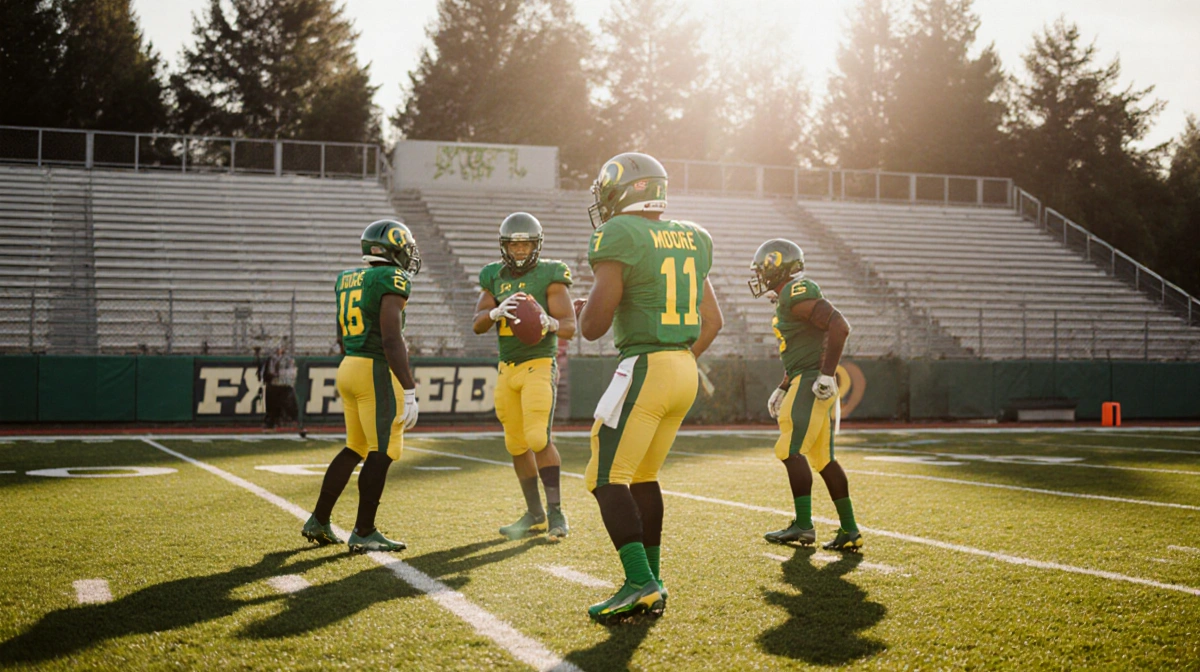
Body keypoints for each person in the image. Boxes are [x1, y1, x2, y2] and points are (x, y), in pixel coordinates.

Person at [576, 152, 723, 624]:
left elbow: (593, 326)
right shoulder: (693, 236)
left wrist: (587, 306)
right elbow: (712, 320)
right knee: (641, 476)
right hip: (683, 366)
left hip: (646, 364)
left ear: (623, 190)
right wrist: (677, 358)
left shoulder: (619, 233)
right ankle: (652, 581)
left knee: (604, 476)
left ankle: (639, 581)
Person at [301, 219, 421, 554]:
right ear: (395, 247)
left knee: (355, 446)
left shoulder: (347, 278)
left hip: (349, 365)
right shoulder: (391, 277)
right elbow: (391, 338)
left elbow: (341, 335)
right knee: (383, 450)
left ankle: (319, 520)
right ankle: (365, 530)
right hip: (374, 369)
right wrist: (408, 388)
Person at [749, 239, 862, 552]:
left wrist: (826, 374)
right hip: (806, 378)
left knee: (789, 449)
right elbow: (805, 346)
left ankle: (803, 525)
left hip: (812, 382)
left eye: (762, 269)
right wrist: (784, 384)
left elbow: (839, 325)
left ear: (777, 267)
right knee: (824, 460)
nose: (759, 275)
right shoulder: (790, 298)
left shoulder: (795, 292)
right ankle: (850, 529)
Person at [473, 212, 576, 541]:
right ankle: (534, 514)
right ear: (505, 246)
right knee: (516, 443)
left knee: (537, 437)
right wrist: (493, 312)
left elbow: (571, 327)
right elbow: (477, 324)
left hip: (538, 364)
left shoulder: (551, 274)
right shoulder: (494, 276)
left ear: (536, 244)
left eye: (526, 244)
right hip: (507, 367)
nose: (519, 251)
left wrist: (551, 323)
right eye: (514, 245)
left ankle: (557, 513)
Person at [264, 342, 298, 429]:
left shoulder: (288, 359)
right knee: (273, 405)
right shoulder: (272, 359)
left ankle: (289, 420)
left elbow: (292, 372)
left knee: (288, 403)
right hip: (275, 385)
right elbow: (270, 372)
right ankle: (272, 421)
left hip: (284, 385)